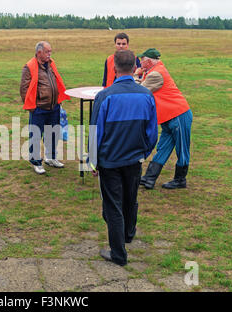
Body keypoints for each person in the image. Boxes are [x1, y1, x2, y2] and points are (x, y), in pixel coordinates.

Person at [88, 50, 158, 266]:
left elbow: (95, 132)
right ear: (134, 65)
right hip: (134, 160)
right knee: (130, 199)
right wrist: (143, 153)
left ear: (115, 68)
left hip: (110, 162)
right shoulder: (146, 95)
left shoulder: (105, 96)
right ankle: (128, 234)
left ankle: (118, 253)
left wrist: (93, 160)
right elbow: (152, 132)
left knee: (113, 206)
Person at [134, 48, 193, 189]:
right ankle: (149, 179)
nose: (140, 62)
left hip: (178, 114)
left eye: (142, 59)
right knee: (163, 147)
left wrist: (136, 76)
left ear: (149, 61)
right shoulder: (153, 71)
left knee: (182, 148)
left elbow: (140, 91)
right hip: (169, 117)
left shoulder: (156, 74)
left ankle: (180, 179)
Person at [20, 41, 71, 174]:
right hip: (39, 109)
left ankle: (51, 157)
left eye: (50, 51)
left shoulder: (50, 65)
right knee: (36, 135)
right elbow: (24, 89)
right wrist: (33, 107)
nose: (50, 54)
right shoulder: (29, 67)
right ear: (39, 53)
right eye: (47, 52)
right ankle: (36, 162)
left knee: (53, 134)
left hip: (54, 107)